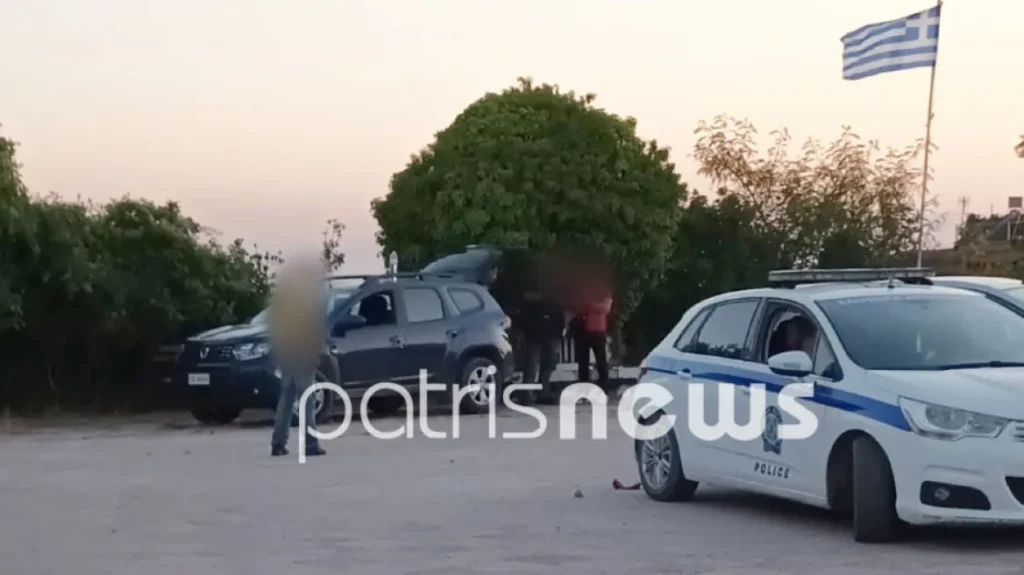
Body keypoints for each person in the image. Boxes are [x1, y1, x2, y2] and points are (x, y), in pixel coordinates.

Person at [268, 256, 329, 458]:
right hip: (303, 354)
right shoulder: (308, 300)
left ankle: (278, 443)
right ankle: (310, 444)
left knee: (286, 400)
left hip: (287, 354)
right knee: (307, 401)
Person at [520, 287, 565, 404]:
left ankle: (537, 393)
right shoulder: (541, 296)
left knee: (542, 365)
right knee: (536, 365)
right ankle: (532, 394)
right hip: (540, 332)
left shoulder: (546, 297)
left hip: (543, 333)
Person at [572, 271, 613, 390]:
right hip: (582, 330)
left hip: (597, 330)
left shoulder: (604, 291)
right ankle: (584, 386)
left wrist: (591, 304)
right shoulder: (581, 291)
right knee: (583, 362)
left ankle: (604, 387)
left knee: (601, 361)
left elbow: (606, 308)